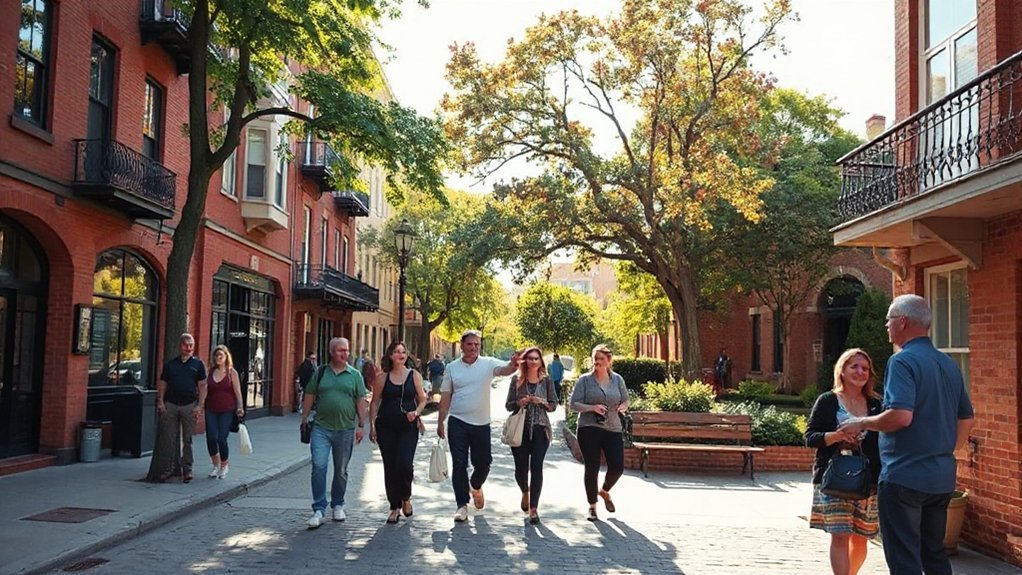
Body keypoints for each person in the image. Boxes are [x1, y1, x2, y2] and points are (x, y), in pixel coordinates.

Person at [839, 294, 975, 575]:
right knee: (934, 555)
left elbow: (901, 416)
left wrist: (860, 422)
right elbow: (967, 418)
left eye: (888, 320)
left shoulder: (902, 361)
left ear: (902, 322)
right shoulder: (949, 364)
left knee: (904, 560)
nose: (886, 326)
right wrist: (947, 450)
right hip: (940, 477)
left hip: (904, 476)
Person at [805, 348, 882, 575]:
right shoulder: (828, 401)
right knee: (840, 535)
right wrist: (838, 436)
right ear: (842, 370)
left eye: (865, 368)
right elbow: (810, 437)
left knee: (861, 538)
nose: (860, 372)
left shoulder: (877, 405)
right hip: (835, 476)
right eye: (854, 366)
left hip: (868, 479)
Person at [437, 330, 520, 523]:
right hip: (457, 421)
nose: (474, 348)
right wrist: (441, 421)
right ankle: (462, 505)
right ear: (462, 345)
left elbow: (505, 370)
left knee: (483, 464)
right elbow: (446, 394)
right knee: (459, 464)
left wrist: (514, 364)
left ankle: (475, 485)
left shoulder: (488, 364)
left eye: (477, 344)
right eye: (470, 344)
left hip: (481, 423)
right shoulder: (452, 368)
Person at [300, 337, 369, 529]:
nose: (345, 354)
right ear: (331, 352)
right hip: (321, 428)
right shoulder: (321, 372)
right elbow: (310, 394)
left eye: (346, 350)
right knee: (318, 466)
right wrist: (304, 417)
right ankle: (319, 509)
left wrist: (361, 425)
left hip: (345, 429)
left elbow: (360, 400)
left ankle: (338, 504)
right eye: (340, 350)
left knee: (341, 470)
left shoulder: (354, 375)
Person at [369, 341, 427, 524]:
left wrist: (416, 413)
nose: (400, 355)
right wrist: (372, 426)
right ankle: (394, 507)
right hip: (386, 426)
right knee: (390, 466)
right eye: (396, 352)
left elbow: (423, 399)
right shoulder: (382, 378)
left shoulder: (414, 375)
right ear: (390, 355)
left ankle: (406, 497)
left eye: (403, 352)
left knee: (404, 464)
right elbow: (375, 402)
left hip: (408, 427)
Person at [569, 344, 629, 521]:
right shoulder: (584, 381)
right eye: (595, 358)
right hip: (589, 428)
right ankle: (592, 506)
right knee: (592, 467)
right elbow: (573, 405)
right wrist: (592, 408)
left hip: (613, 427)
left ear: (609, 361)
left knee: (617, 467)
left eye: (601, 359)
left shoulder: (617, 380)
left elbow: (626, 400)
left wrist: (623, 406)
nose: (597, 362)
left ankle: (604, 491)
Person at [504, 346, 558, 525]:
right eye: (530, 358)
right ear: (525, 361)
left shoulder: (546, 381)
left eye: (536, 359)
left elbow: (553, 405)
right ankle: (525, 491)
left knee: (537, 467)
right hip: (520, 429)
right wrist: (520, 403)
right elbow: (508, 405)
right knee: (521, 468)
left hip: (540, 429)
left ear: (541, 361)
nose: (533, 362)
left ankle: (534, 508)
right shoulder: (516, 380)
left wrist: (541, 402)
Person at [147, 333, 207, 483]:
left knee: (188, 439)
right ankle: (169, 469)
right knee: (169, 438)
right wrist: (161, 401)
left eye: (191, 345)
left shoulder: (198, 365)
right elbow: (163, 383)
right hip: (171, 405)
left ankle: (187, 469)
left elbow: (202, 386)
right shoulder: (171, 365)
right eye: (186, 345)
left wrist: (199, 406)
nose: (189, 348)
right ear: (180, 346)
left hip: (189, 406)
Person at [204, 345, 245, 479]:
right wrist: (199, 405)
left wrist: (240, 407)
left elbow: (238, 392)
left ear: (226, 357)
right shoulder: (210, 372)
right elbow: (204, 390)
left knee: (221, 438)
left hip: (227, 410)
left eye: (221, 355)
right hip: (210, 409)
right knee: (211, 437)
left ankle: (224, 465)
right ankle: (215, 465)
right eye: (216, 355)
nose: (218, 358)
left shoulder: (232, 373)